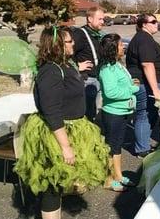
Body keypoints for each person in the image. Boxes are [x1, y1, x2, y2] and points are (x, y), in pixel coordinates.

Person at [14, 26, 113, 219]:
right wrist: (65, 146)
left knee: (59, 183)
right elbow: (52, 112)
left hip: (74, 128)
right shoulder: (50, 71)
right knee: (52, 186)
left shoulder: (66, 64)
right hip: (57, 133)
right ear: (57, 45)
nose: (73, 43)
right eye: (69, 41)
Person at [98, 33, 140, 191]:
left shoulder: (117, 65)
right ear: (112, 48)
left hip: (122, 112)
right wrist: (132, 89)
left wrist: (131, 82)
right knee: (112, 146)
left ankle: (118, 175)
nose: (123, 47)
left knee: (117, 145)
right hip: (113, 114)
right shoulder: (106, 69)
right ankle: (110, 180)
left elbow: (122, 83)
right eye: (121, 44)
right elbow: (111, 92)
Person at [126, 13, 160, 157]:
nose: (157, 24)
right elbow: (147, 64)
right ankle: (142, 149)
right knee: (144, 114)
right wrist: (155, 89)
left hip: (147, 84)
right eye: (153, 21)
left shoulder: (145, 38)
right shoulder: (144, 39)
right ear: (144, 24)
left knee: (148, 113)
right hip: (146, 84)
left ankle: (143, 144)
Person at [72, 6, 105, 122]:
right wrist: (77, 66)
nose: (103, 22)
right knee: (87, 112)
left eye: (103, 19)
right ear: (90, 19)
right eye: (100, 19)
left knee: (95, 111)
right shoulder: (80, 34)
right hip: (87, 80)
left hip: (98, 78)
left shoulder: (97, 34)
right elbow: (67, 52)